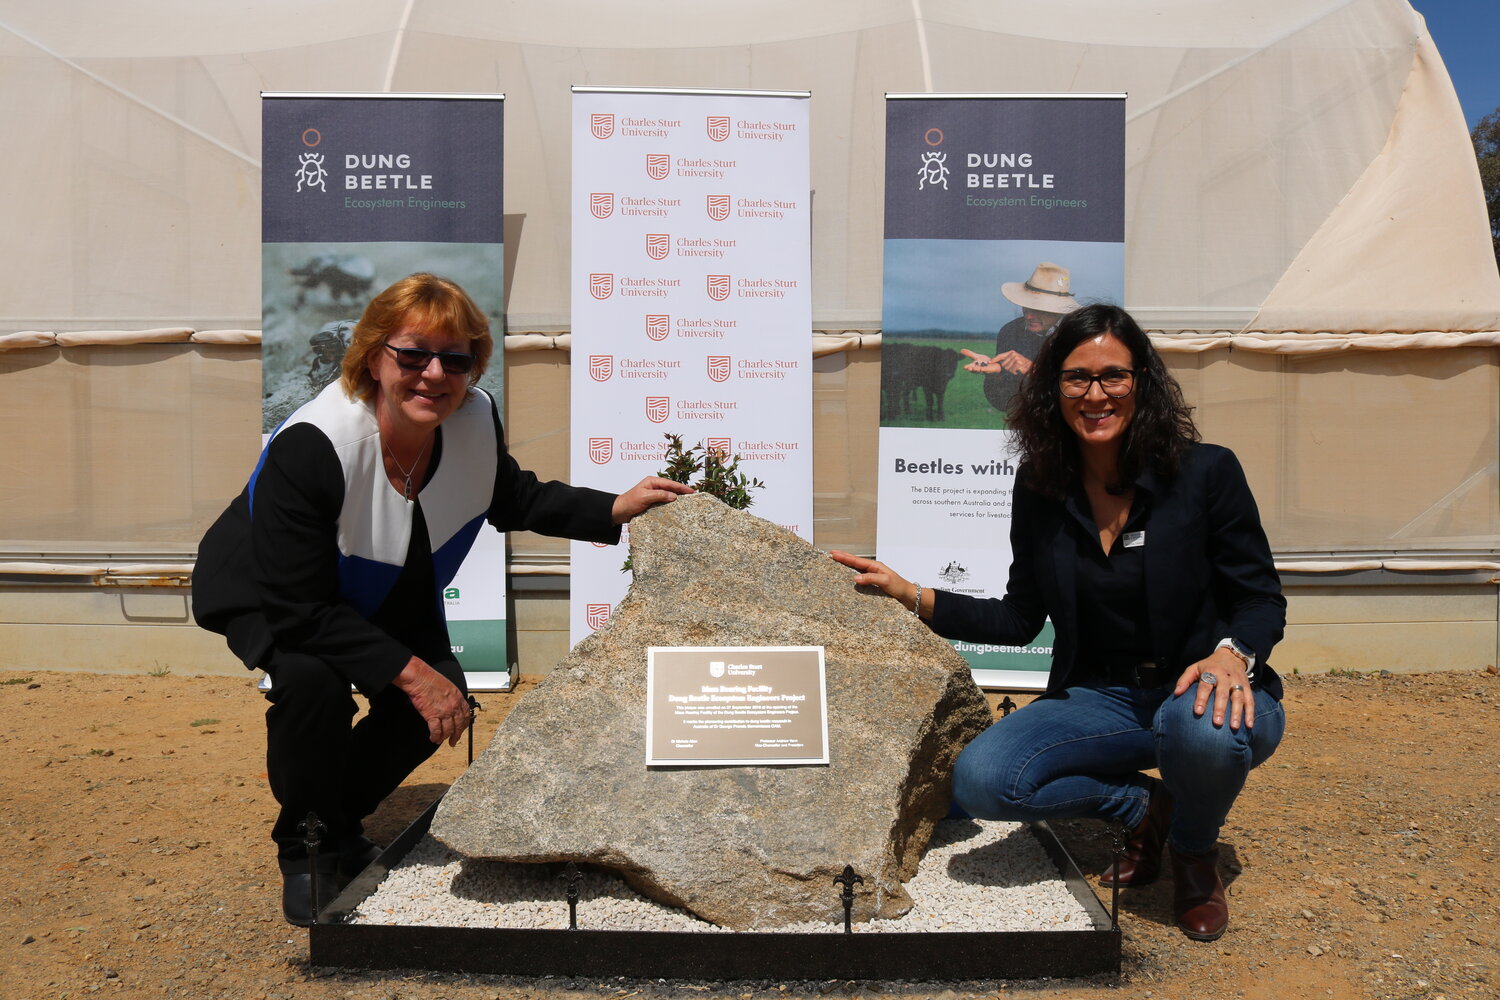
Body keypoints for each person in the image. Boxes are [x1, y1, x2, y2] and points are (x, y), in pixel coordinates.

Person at [192, 273, 691, 925]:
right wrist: (408, 671)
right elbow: (301, 609)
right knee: (312, 684)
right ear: (372, 356)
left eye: (455, 360)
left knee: (436, 702)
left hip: (383, 567)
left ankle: (336, 822)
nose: (435, 374)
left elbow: (512, 495)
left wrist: (614, 508)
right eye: (413, 355)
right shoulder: (313, 445)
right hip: (273, 585)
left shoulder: (473, 419)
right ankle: (307, 850)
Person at [832, 304, 1286, 942]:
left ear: (1142, 382)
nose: (1095, 394)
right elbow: (1020, 617)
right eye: (1076, 378)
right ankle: (1146, 807)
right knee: (986, 780)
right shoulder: (1040, 487)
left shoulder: (1205, 473)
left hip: (1203, 687)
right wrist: (911, 594)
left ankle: (1191, 852)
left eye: (1113, 376)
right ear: (1052, 389)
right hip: (1103, 696)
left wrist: (1233, 654)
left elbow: (1262, 597)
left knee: (1203, 730)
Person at [960, 261, 1080, 418]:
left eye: (1038, 309)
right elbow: (1004, 404)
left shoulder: (1080, 336)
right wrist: (996, 375)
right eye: (1026, 307)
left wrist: (1034, 371)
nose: (1028, 316)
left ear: (1059, 310)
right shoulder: (1010, 332)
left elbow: (1082, 397)